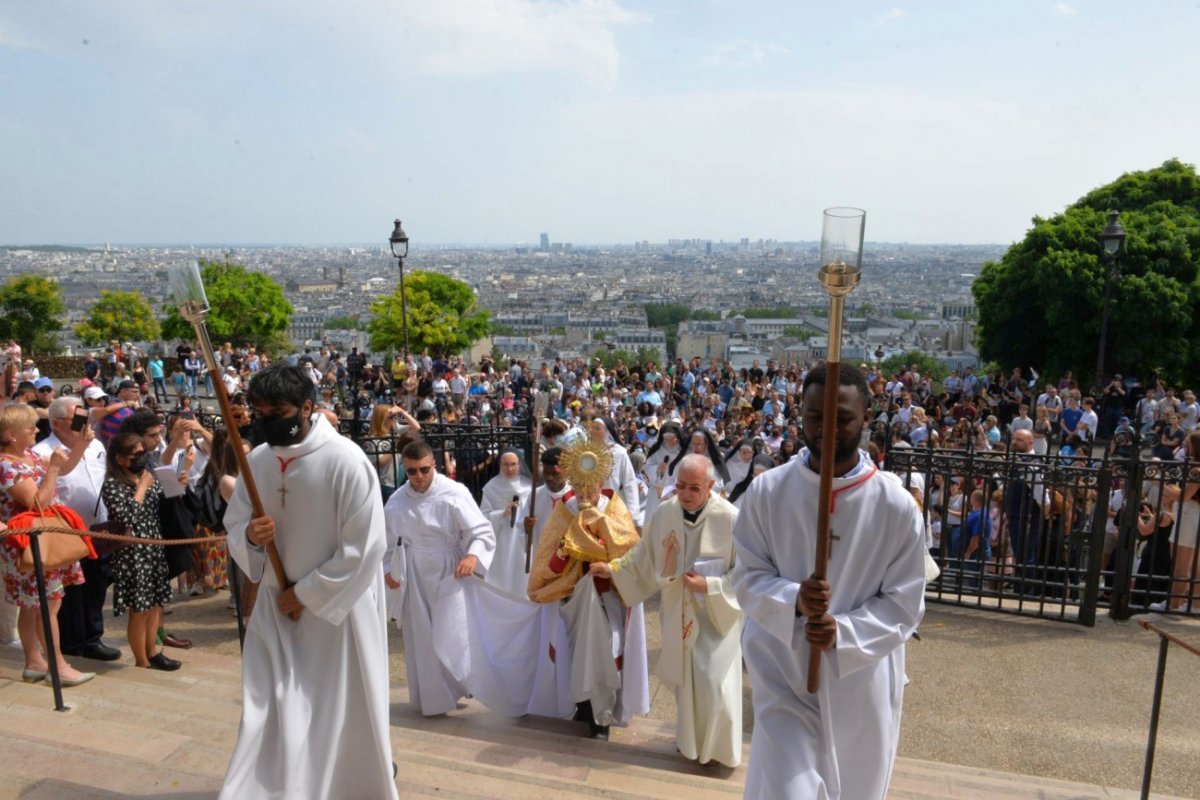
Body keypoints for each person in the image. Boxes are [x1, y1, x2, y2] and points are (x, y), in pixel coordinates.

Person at [732, 363, 926, 799]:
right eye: (816, 415)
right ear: (801, 413)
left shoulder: (896, 505)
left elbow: (904, 603)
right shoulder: (768, 493)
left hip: (859, 678)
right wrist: (794, 599)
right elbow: (745, 577)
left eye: (843, 418)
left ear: (866, 417)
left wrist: (844, 630)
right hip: (784, 671)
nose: (827, 428)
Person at [221, 363, 397, 799]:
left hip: (337, 614)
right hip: (275, 607)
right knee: (267, 705)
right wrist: (249, 537)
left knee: (336, 708)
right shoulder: (256, 461)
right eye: (257, 413)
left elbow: (366, 546)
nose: (265, 421)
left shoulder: (346, 462)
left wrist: (307, 594)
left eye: (276, 411)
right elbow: (236, 520)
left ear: (306, 407)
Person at [590, 454, 742, 767]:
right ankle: (690, 746)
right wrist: (614, 568)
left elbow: (747, 573)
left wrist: (711, 586)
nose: (685, 494)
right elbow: (644, 555)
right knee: (686, 683)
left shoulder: (730, 517)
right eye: (681, 486)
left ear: (711, 485)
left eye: (694, 488)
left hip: (716, 615)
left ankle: (718, 751)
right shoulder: (665, 512)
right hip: (678, 611)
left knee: (715, 683)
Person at [526, 435, 650, 739]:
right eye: (578, 484)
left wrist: (609, 564)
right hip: (572, 598)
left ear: (601, 482)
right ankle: (584, 707)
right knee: (574, 654)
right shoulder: (564, 511)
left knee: (607, 652)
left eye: (591, 485)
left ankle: (602, 717)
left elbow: (632, 552)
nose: (584, 492)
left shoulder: (614, 508)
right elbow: (546, 564)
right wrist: (567, 551)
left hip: (609, 599)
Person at [384, 438, 495, 717]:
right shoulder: (397, 501)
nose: (418, 477)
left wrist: (472, 556)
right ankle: (434, 698)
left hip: (450, 568)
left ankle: (458, 685)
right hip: (415, 571)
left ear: (434, 465)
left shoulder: (454, 492)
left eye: (424, 470)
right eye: (411, 471)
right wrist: (388, 571)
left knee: (454, 630)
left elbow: (481, 531)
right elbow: (385, 543)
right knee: (422, 637)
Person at [0, 402, 96, 686]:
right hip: (28, 541)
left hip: (38, 539)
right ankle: (58, 665)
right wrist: (52, 468)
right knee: (46, 604)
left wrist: (79, 445)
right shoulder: (6, 465)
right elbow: (38, 504)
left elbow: (63, 469)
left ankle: (35, 661)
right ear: (11, 434)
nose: (35, 429)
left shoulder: (26, 455)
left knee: (34, 606)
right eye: (29, 426)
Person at [32, 397, 120, 662]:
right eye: (77, 419)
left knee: (96, 585)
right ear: (57, 423)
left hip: (97, 528)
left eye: (86, 417)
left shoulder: (95, 445)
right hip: (67, 533)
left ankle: (92, 639)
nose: (85, 424)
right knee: (69, 592)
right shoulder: (42, 452)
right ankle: (71, 642)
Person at [101, 432, 181, 672]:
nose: (140, 458)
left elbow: (164, 503)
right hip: (132, 553)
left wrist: (179, 482)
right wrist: (141, 489)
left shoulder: (146, 476)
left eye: (142, 453)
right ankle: (141, 660)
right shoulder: (113, 483)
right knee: (139, 608)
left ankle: (153, 652)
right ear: (119, 458)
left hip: (154, 546)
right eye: (135, 454)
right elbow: (126, 517)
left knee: (155, 603)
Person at [480, 448, 533, 596]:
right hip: (502, 538)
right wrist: (502, 513)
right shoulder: (491, 487)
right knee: (503, 575)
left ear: (519, 465)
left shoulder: (528, 486)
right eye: (506, 464)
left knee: (522, 573)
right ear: (500, 465)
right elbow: (483, 516)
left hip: (523, 538)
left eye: (513, 464)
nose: (510, 469)